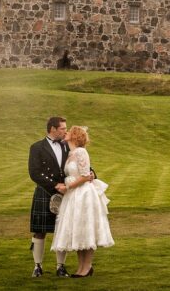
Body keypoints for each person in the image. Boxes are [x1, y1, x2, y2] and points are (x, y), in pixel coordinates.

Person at [51, 126, 115, 278]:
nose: (66, 132)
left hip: (83, 194)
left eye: (69, 131)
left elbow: (86, 175)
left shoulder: (81, 151)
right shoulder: (70, 153)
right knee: (78, 230)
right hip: (73, 195)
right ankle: (81, 267)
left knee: (86, 229)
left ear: (75, 136)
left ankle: (87, 267)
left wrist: (68, 186)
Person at [27, 117, 73, 278]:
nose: (66, 131)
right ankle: (37, 266)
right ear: (53, 129)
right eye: (62, 128)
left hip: (64, 193)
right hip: (45, 192)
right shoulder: (37, 147)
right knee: (40, 231)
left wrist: (91, 173)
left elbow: (79, 162)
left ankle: (61, 267)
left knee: (62, 230)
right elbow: (34, 172)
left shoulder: (67, 145)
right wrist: (54, 185)